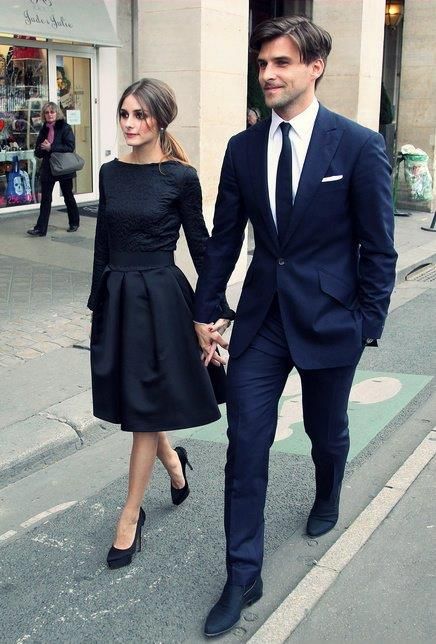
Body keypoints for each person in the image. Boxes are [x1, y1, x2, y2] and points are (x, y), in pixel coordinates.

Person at [194, 16, 397, 636]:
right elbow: (225, 237)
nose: (269, 75)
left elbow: (379, 247)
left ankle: (328, 488)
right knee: (245, 443)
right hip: (262, 321)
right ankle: (242, 574)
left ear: (316, 67)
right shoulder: (242, 148)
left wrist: (367, 323)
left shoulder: (357, 146)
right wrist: (207, 307)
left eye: (281, 63)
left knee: (324, 431)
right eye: (262, 65)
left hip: (332, 319)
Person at [87, 78, 232, 570]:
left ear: (160, 120)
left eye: (139, 115)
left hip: (162, 300)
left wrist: (211, 314)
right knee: (139, 402)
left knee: (145, 407)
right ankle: (174, 465)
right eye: (124, 114)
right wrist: (97, 304)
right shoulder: (109, 173)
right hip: (120, 297)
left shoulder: (179, 177)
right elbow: (103, 243)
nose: (129, 124)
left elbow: (203, 247)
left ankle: (130, 516)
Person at [27, 101, 80, 236]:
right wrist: (41, 148)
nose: (49, 115)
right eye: (47, 112)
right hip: (48, 168)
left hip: (63, 168)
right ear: (44, 115)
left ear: (57, 113)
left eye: (52, 112)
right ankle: (40, 229)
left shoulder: (65, 127)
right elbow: (37, 153)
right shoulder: (43, 129)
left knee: (68, 196)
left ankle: (74, 222)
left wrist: (51, 147)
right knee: (46, 199)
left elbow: (70, 147)